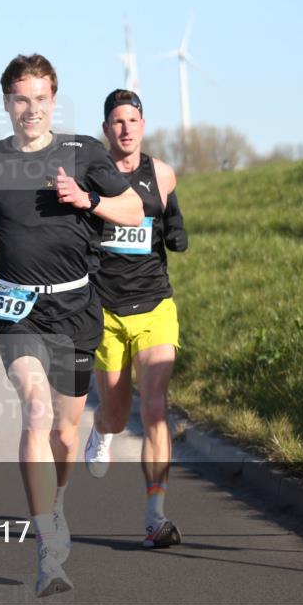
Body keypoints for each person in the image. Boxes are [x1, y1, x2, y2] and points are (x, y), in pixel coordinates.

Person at [0, 55, 143, 596]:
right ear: (7, 103)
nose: (30, 109)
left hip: (76, 307)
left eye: (40, 98)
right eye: (20, 99)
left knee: (65, 431)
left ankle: (55, 506)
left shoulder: (83, 151)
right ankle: (45, 543)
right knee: (34, 408)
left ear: (53, 101)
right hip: (15, 304)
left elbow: (131, 210)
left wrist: (88, 199)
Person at [84, 89, 189, 549]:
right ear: (106, 129)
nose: (125, 128)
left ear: (143, 125)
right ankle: (102, 431)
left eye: (133, 120)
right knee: (113, 412)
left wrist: (177, 233)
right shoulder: (91, 176)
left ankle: (154, 514)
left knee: (154, 407)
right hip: (106, 310)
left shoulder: (162, 174)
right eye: (117, 122)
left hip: (154, 306)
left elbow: (172, 224)